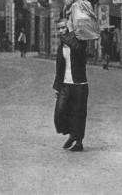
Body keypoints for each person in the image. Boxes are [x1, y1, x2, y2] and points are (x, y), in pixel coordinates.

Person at [52, 19, 88, 152]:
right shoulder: (62, 46)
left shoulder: (80, 41)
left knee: (78, 113)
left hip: (79, 84)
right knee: (60, 112)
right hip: (65, 84)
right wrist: (57, 86)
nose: (61, 31)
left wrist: (67, 38)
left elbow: (77, 48)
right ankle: (72, 133)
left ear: (70, 28)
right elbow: (59, 67)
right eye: (59, 29)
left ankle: (78, 141)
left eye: (63, 28)